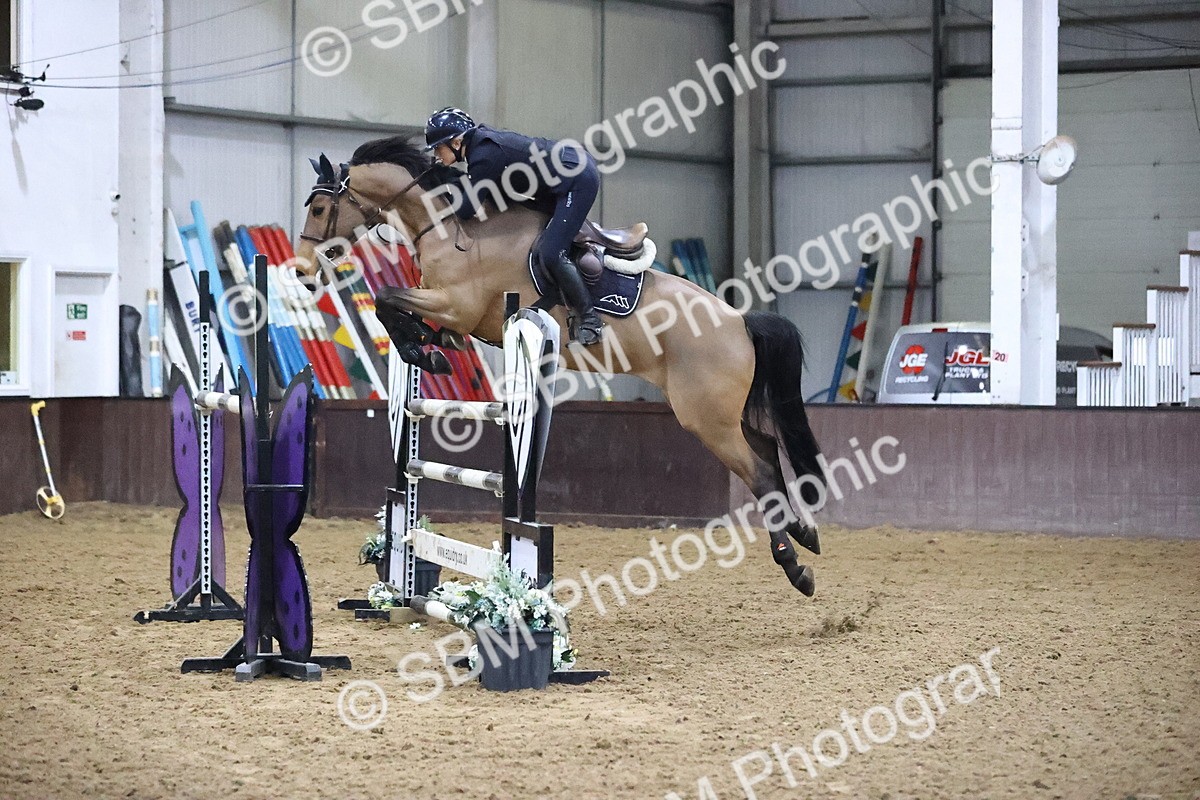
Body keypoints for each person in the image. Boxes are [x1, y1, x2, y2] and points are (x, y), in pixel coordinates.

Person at [424, 107, 603, 346]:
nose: (437, 155)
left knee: (551, 252)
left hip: (577, 179)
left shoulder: (484, 156)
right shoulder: (479, 150)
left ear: (456, 142)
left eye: (438, 148)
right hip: (557, 176)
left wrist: (444, 185)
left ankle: (590, 319)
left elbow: (466, 211)